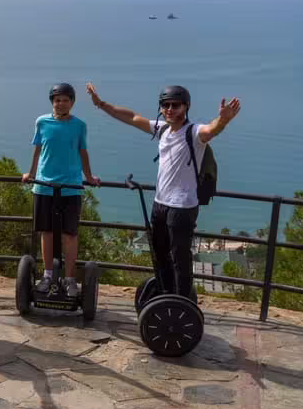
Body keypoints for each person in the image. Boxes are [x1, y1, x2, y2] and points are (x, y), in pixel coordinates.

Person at [85, 82, 240, 299]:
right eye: (165, 105)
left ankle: (183, 302)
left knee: (180, 258)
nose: (169, 109)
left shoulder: (194, 133)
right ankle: (166, 294)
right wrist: (100, 104)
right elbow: (131, 117)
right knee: (159, 254)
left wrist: (223, 119)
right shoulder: (163, 129)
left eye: (175, 105)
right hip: (160, 204)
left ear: (186, 107)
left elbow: (211, 129)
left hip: (183, 207)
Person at [22, 83, 99, 298]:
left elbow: (83, 152)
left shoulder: (79, 125)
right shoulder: (42, 122)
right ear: (52, 102)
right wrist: (30, 173)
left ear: (72, 102)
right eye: (57, 100)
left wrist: (89, 177)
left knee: (69, 234)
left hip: (71, 187)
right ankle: (47, 276)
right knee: (46, 232)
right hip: (44, 186)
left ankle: (70, 279)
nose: (61, 103)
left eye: (65, 99)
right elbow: (37, 149)